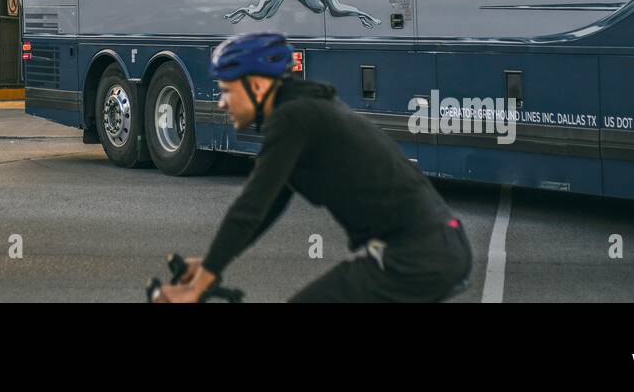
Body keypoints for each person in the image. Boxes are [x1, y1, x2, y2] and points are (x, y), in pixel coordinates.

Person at [157, 31, 472, 303]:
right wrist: (211, 266)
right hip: (435, 249)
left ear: (255, 85)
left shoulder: (293, 118)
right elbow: (265, 208)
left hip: (416, 255)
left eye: (227, 90)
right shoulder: (301, 111)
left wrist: (200, 285)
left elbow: (249, 206)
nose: (222, 102)